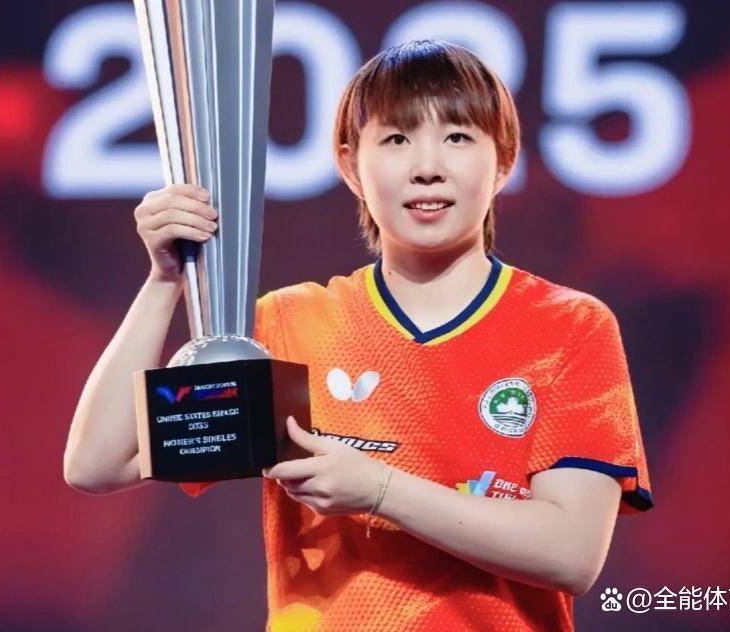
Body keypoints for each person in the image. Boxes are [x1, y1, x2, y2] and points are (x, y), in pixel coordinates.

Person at [64, 40, 653, 631]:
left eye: (457, 137)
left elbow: (571, 552)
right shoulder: (290, 325)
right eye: (396, 139)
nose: (427, 166)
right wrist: (166, 278)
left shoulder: (568, 326)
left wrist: (379, 490)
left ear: (503, 160)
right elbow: (99, 463)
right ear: (350, 165)